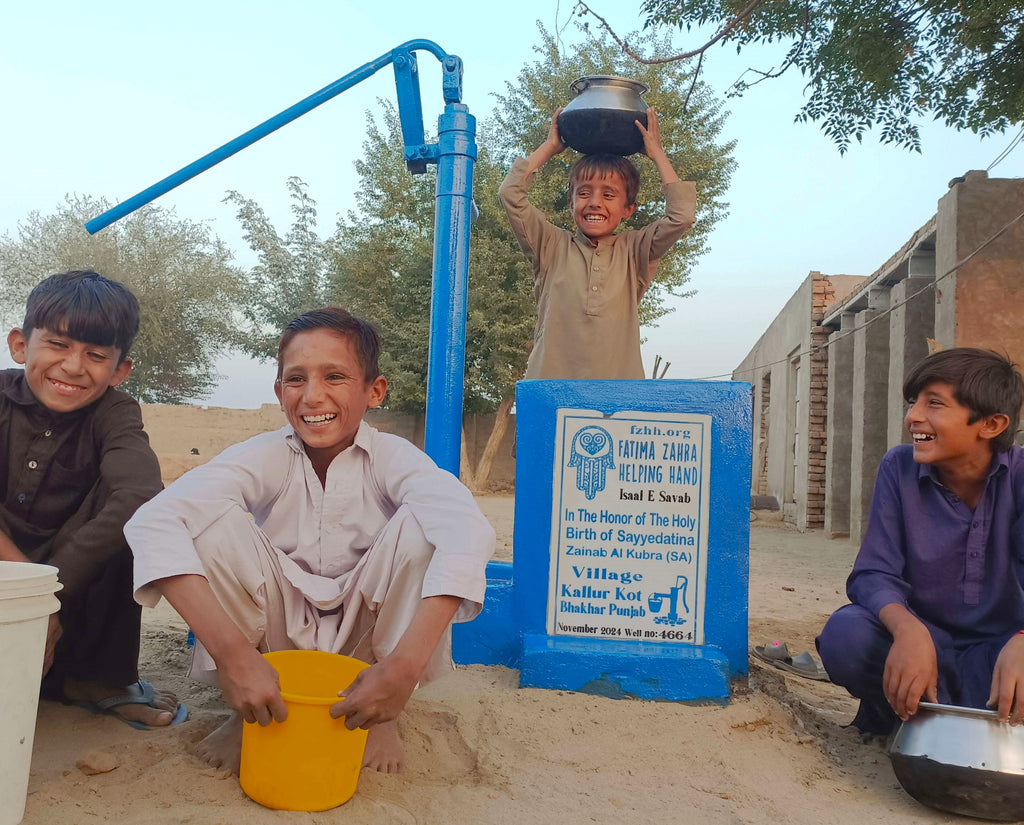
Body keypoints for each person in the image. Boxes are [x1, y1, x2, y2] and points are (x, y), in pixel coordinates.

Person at [124, 307, 495, 774]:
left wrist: (405, 669)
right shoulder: (263, 456)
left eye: (335, 376)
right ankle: (250, 708)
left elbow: (468, 532)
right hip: (272, 643)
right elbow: (153, 522)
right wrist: (233, 655)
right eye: (296, 379)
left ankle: (381, 713)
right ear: (280, 392)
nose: (312, 396)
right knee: (209, 524)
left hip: (369, 643)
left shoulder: (395, 460)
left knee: (428, 528)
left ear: (373, 391)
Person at [1, 270, 182, 729]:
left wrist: (50, 595)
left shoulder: (116, 413)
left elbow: (139, 494)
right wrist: (33, 597)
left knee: (137, 511)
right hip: (11, 570)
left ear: (119, 370)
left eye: (95, 354)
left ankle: (98, 680)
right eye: (58, 345)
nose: (74, 366)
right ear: (21, 344)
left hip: (69, 579)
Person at [817, 348, 1024, 734]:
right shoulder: (899, 468)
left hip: (1002, 652)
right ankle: (920, 712)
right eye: (914, 402)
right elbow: (873, 573)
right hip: (923, 647)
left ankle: (932, 716)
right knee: (847, 636)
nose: (913, 417)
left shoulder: (1021, 478)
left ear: (992, 424)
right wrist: (909, 630)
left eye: (934, 404)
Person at [498, 107, 696, 379]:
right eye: (584, 192)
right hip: (550, 390)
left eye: (609, 194)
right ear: (571, 203)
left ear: (629, 209)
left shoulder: (636, 251)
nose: (594, 202)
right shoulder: (552, 246)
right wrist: (549, 146)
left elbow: (682, 217)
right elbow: (510, 193)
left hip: (615, 399)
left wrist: (657, 154)